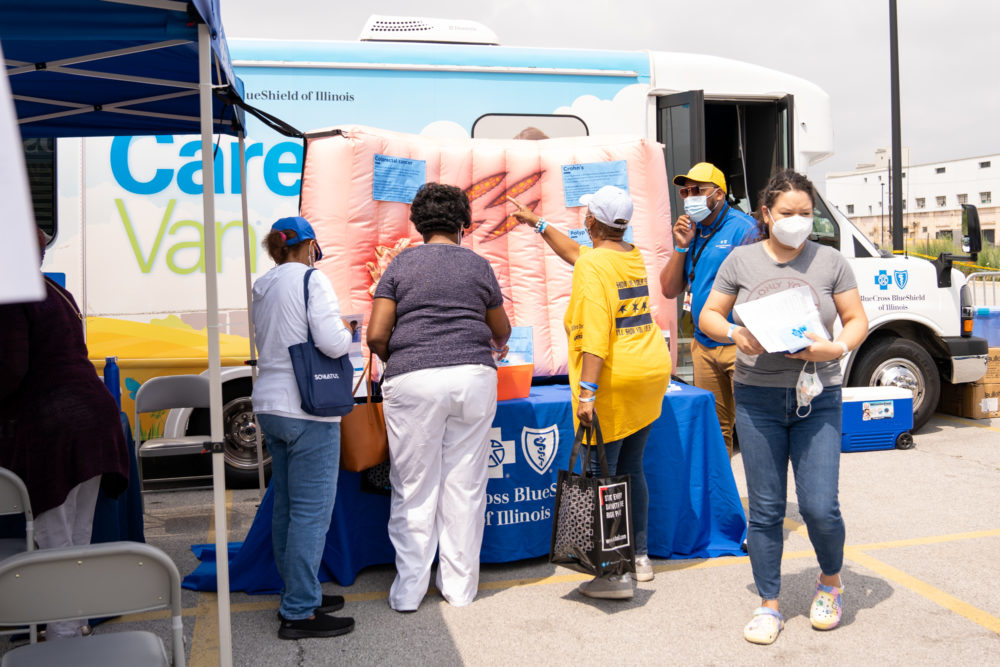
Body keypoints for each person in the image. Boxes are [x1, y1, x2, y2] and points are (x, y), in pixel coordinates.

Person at [699, 169, 868, 645]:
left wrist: (835, 349)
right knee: (767, 509)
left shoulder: (830, 261)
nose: (797, 221)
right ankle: (769, 604)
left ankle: (831, 582)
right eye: (787, 213)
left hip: (818, 397)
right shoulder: (741, 260)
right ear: (766, 214)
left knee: (819, 506)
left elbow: (856, 320)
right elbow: (708, 314)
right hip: (757, 396)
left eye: (805, 212)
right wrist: (736, 333)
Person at [509, 185, 670, 599]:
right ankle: (639, 557)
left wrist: (586, 394)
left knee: (603, 475)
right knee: (632, 468)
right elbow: (578, 255)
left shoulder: (594, 266)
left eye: (586, 215)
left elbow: (595, 336)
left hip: (613, 380)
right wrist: (537, 224)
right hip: (649, 373)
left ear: (593, 222)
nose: (582, 220)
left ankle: (612, 576)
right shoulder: (629, 254)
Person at [367, 182, 512, 612]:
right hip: (473, 378)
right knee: (465, 485)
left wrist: (407, 357)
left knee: (413, 486)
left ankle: (409, 592)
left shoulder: (399, 265)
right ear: (463, 222)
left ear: (417, 221)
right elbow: (501, 330)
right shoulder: (479, 266)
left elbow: (376, 334)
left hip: (413, 381)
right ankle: (460, 589)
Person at [0, 228, 130, 640]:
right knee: (77, 535)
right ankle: (76, 625)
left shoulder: (12, 296)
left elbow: (11, 370)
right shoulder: (57, 293)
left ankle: (63, 637)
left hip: (54, 427)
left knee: (55, 540)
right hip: (94, 418)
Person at [251, 216, 356, 640]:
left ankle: (298, 591)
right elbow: (332, 343)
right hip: (307, 408)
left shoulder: (264, 284)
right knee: (311, 515)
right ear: (311, 245)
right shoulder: (313, 280)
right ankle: (300, 611)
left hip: (269, 405)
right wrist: (348, 330)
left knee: (287, 509)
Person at [659, 162, 758, 457]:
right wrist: (679, 247)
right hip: (704, 345)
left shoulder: (744, 229)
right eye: (685, 191)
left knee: (753, 426)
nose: (690, 197)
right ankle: (723, 501)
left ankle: (761, 499)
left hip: (737, 343)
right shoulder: (692, 232)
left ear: (718, 194)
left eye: (697, 190)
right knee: (716, 430)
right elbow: (669, 289)